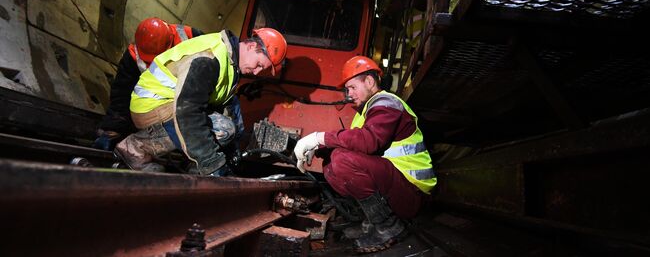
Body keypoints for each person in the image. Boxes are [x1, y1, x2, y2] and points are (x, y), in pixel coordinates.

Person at [293, 55, 436, 253]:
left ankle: (388, 226)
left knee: (343, 161)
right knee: (332, 165)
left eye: (352, 87)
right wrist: (318, 149)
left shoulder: (386, 103)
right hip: (397, 187)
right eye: (347, 89)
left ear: (369, 81)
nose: (349, 93)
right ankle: (372, 221)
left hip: (413, 191)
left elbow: (368, 141)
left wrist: (319, 137)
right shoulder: (365, 111)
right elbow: (355, 145)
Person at [114, 27, 287, 175]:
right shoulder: (209, 58)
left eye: (261, 70)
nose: (256, 73)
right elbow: (188, 112)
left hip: (167, 104)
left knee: (227, 128)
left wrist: (231, 150)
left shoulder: (230, 62)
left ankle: (193, 170)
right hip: (150, 105)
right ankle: (135, 147)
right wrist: (211, 162)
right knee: (222, 128)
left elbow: (224, 104)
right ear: (251, 45)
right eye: (258, 65)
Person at [93, 18, 203, 151]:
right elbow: (122, 94)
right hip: (164, 105)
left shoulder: (191, 37)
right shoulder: (133, 57)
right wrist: (112, 128)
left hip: (195, 96)